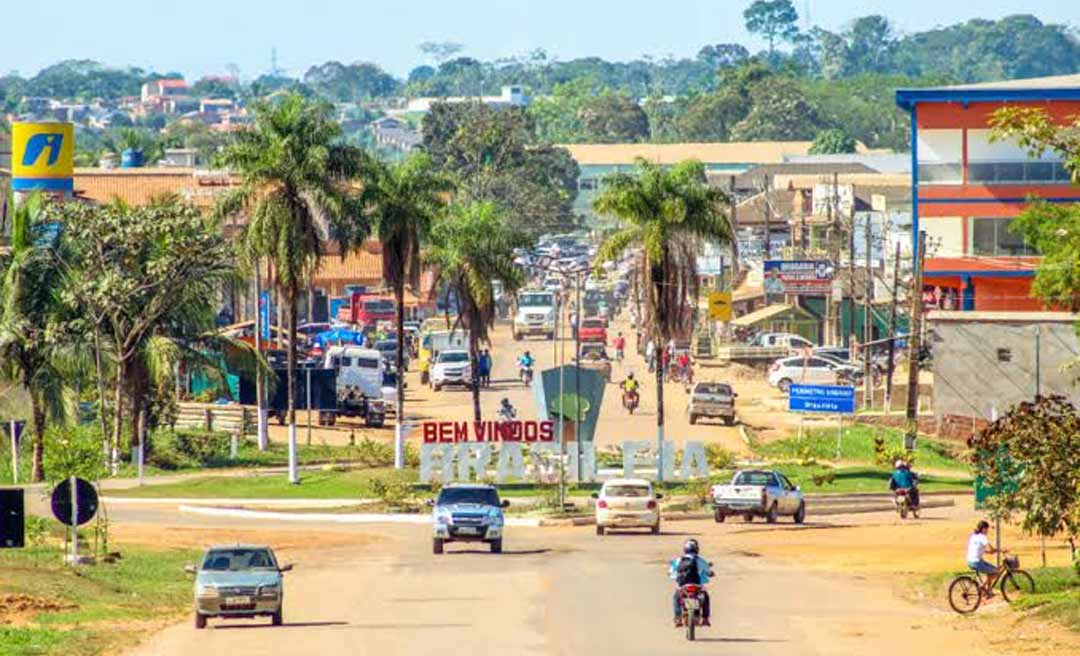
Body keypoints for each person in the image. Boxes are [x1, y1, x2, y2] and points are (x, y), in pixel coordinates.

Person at [669, 539, 713, 627]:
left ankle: (678, 618)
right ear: (697, 549)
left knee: (676, 597)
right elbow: (708, 570)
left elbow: (672, 572)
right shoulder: (699, 560)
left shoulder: (679, 560)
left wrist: (672, 574)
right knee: (706, 597)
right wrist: (710, 573)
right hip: (697, 585)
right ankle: (705, 618)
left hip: (683, 586)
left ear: (685, 549)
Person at [966, 520, 998, 596]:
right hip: (976, 562)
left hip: (971, 560)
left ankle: (989, 591)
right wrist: (1000, 550)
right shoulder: (982, 537)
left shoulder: (974, 536)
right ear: (983, 529)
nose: (988, 531)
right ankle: (982, 587)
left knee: (990, 570)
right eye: (987, 529)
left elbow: (979, 549)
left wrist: (990, 551)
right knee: (996, 572)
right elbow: (990, 549)